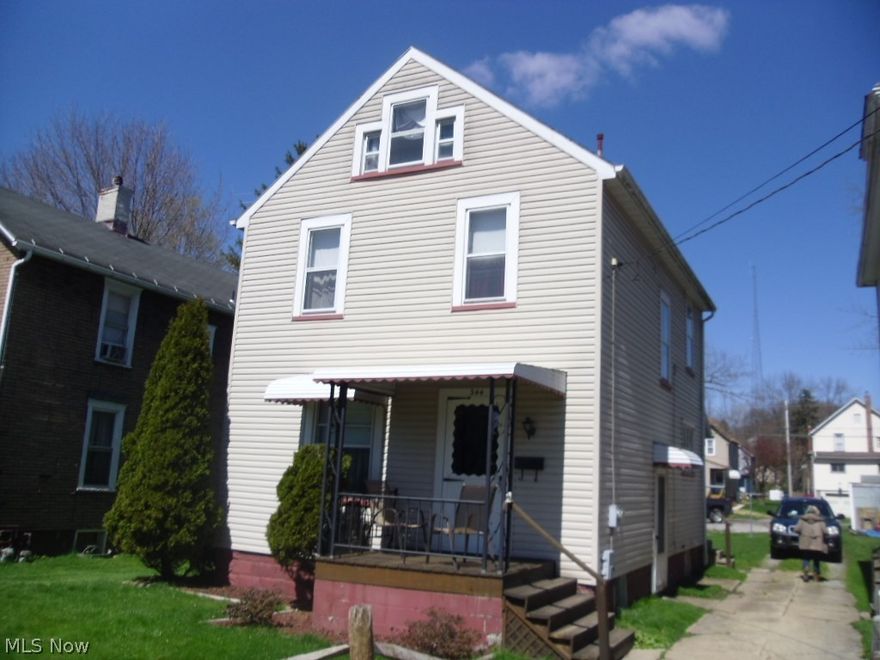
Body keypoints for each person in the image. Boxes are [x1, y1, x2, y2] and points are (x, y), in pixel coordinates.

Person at [794, 504, 828, 581]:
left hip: (805, 542)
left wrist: (801, 533)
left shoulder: (802, 519)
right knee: (816, 559)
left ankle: (806, 571)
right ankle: (816, 574)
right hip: (817, 543)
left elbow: (796, 529)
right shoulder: (820, 520)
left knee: (806, 558)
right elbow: (825, 532)